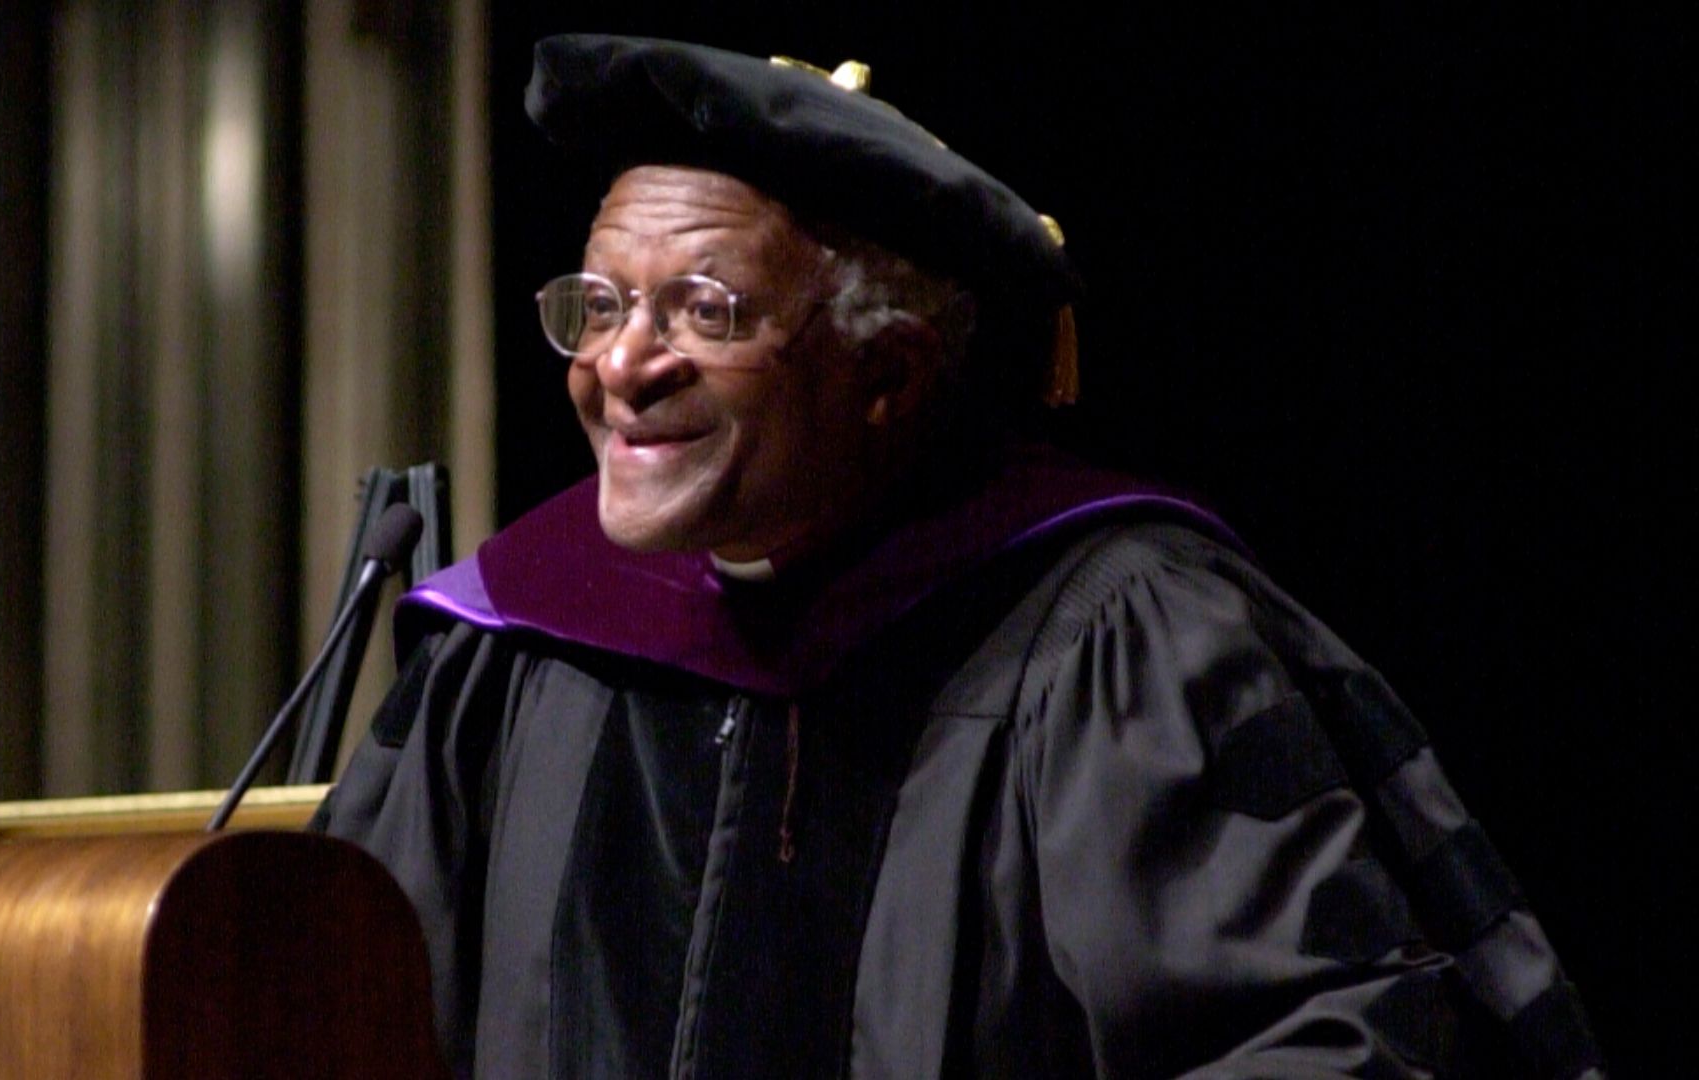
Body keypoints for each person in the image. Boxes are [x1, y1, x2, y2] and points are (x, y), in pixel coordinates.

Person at [314, 35, 1602, 1079]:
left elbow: (1328, 1043)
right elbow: (320, 1020)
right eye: (598, 307)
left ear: (889, 375)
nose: (624, 367)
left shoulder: (1110, 635)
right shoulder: (517, 645)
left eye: (708, 311)